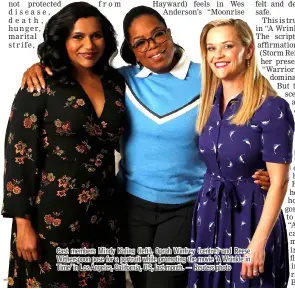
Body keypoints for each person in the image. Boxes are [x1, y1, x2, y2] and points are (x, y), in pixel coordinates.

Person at [20, 6, 271, 288]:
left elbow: (256, 108)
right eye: (140, 42)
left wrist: (261, 166)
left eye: (158, 35)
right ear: (132, 50)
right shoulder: (121, 81)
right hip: (130, 204)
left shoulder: (210, 76)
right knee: (138, 281)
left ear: (170, 33)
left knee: (164, 281)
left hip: (186, 203)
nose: (152, 46)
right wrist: (40, 65)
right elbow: (79, 73)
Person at [2, 2, 126, 288]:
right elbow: (19, 155)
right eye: (78, 36)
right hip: (52, 221)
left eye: (96, 35)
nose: (89, 44)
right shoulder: (40, 83)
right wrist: (23, 225)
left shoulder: (115, 82)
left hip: (106, 217)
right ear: (62, 40)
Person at [188, 19, 293, 288]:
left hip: (252, 218)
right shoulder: (208, 104)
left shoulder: (273, 108)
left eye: (227, 46)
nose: (217, 55)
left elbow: (279, 181)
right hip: (209, 214)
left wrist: (258, 243)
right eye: (211, 48)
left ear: (248, 50)